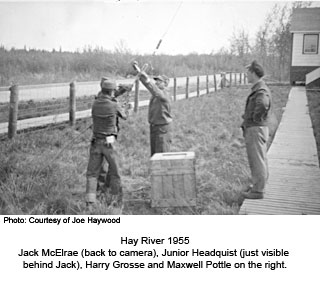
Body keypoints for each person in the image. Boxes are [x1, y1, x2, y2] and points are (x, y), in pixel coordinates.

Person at [85, 78, 130, 208]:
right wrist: (126, 106)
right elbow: (125, 115)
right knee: (115, 173)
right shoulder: (114, 105)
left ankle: (90, 202)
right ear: (111, 91)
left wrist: (119, 93)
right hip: (109, 144)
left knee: (92, 173)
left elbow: (106, 98)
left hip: (95, 142)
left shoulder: (95, 103)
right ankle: (116, 200)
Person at [241, 60, 272, 200]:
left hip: (255, 128)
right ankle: (259, 185)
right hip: (257, 127)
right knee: (260, 158)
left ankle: (258, 191)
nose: (246, 75)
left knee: (257, 160)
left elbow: (263, 104)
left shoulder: (260, 90)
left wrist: (254, 118)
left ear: (254, 73)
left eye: (248, 73)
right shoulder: (259, 88)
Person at [132, 61, 172, 156]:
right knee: (154, 154)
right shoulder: (157, 94)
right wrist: (138, 70)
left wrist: (145, 78)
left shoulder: (164, 94)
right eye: (156, 80)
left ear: (165, 83)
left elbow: (152, 88)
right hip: (154, 127)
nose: (157, 82)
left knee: (162, 154)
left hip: (162, 128)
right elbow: (150, 87)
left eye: (159, 81)